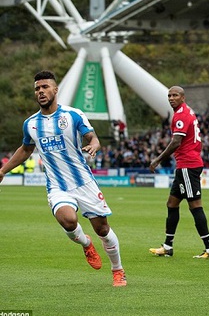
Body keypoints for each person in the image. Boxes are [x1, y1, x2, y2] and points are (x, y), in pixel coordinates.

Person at [0, 70, 126, 287]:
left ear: (55, 90)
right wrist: (3, 170)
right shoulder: (30, 124)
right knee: (67, 220)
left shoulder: (72, 115)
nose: (41, 91)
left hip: (83, 182)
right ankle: (86, 244)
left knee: (102, 229)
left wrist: (94, 144)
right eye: (37, 89)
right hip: (57, 185)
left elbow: (91, 137)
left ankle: (118, 270)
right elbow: (25, 150)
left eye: (45, 87)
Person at [149, 86, 209, 259]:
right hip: (184, 166)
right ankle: (167, 246)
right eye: (169, 95)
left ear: (183, 97)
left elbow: (176, 141)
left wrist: (158, 159)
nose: (171, 98)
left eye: (175, 95)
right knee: (171, 204)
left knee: (195, 206)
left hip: (188, 165)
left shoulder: (181, 114)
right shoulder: (186, 112)